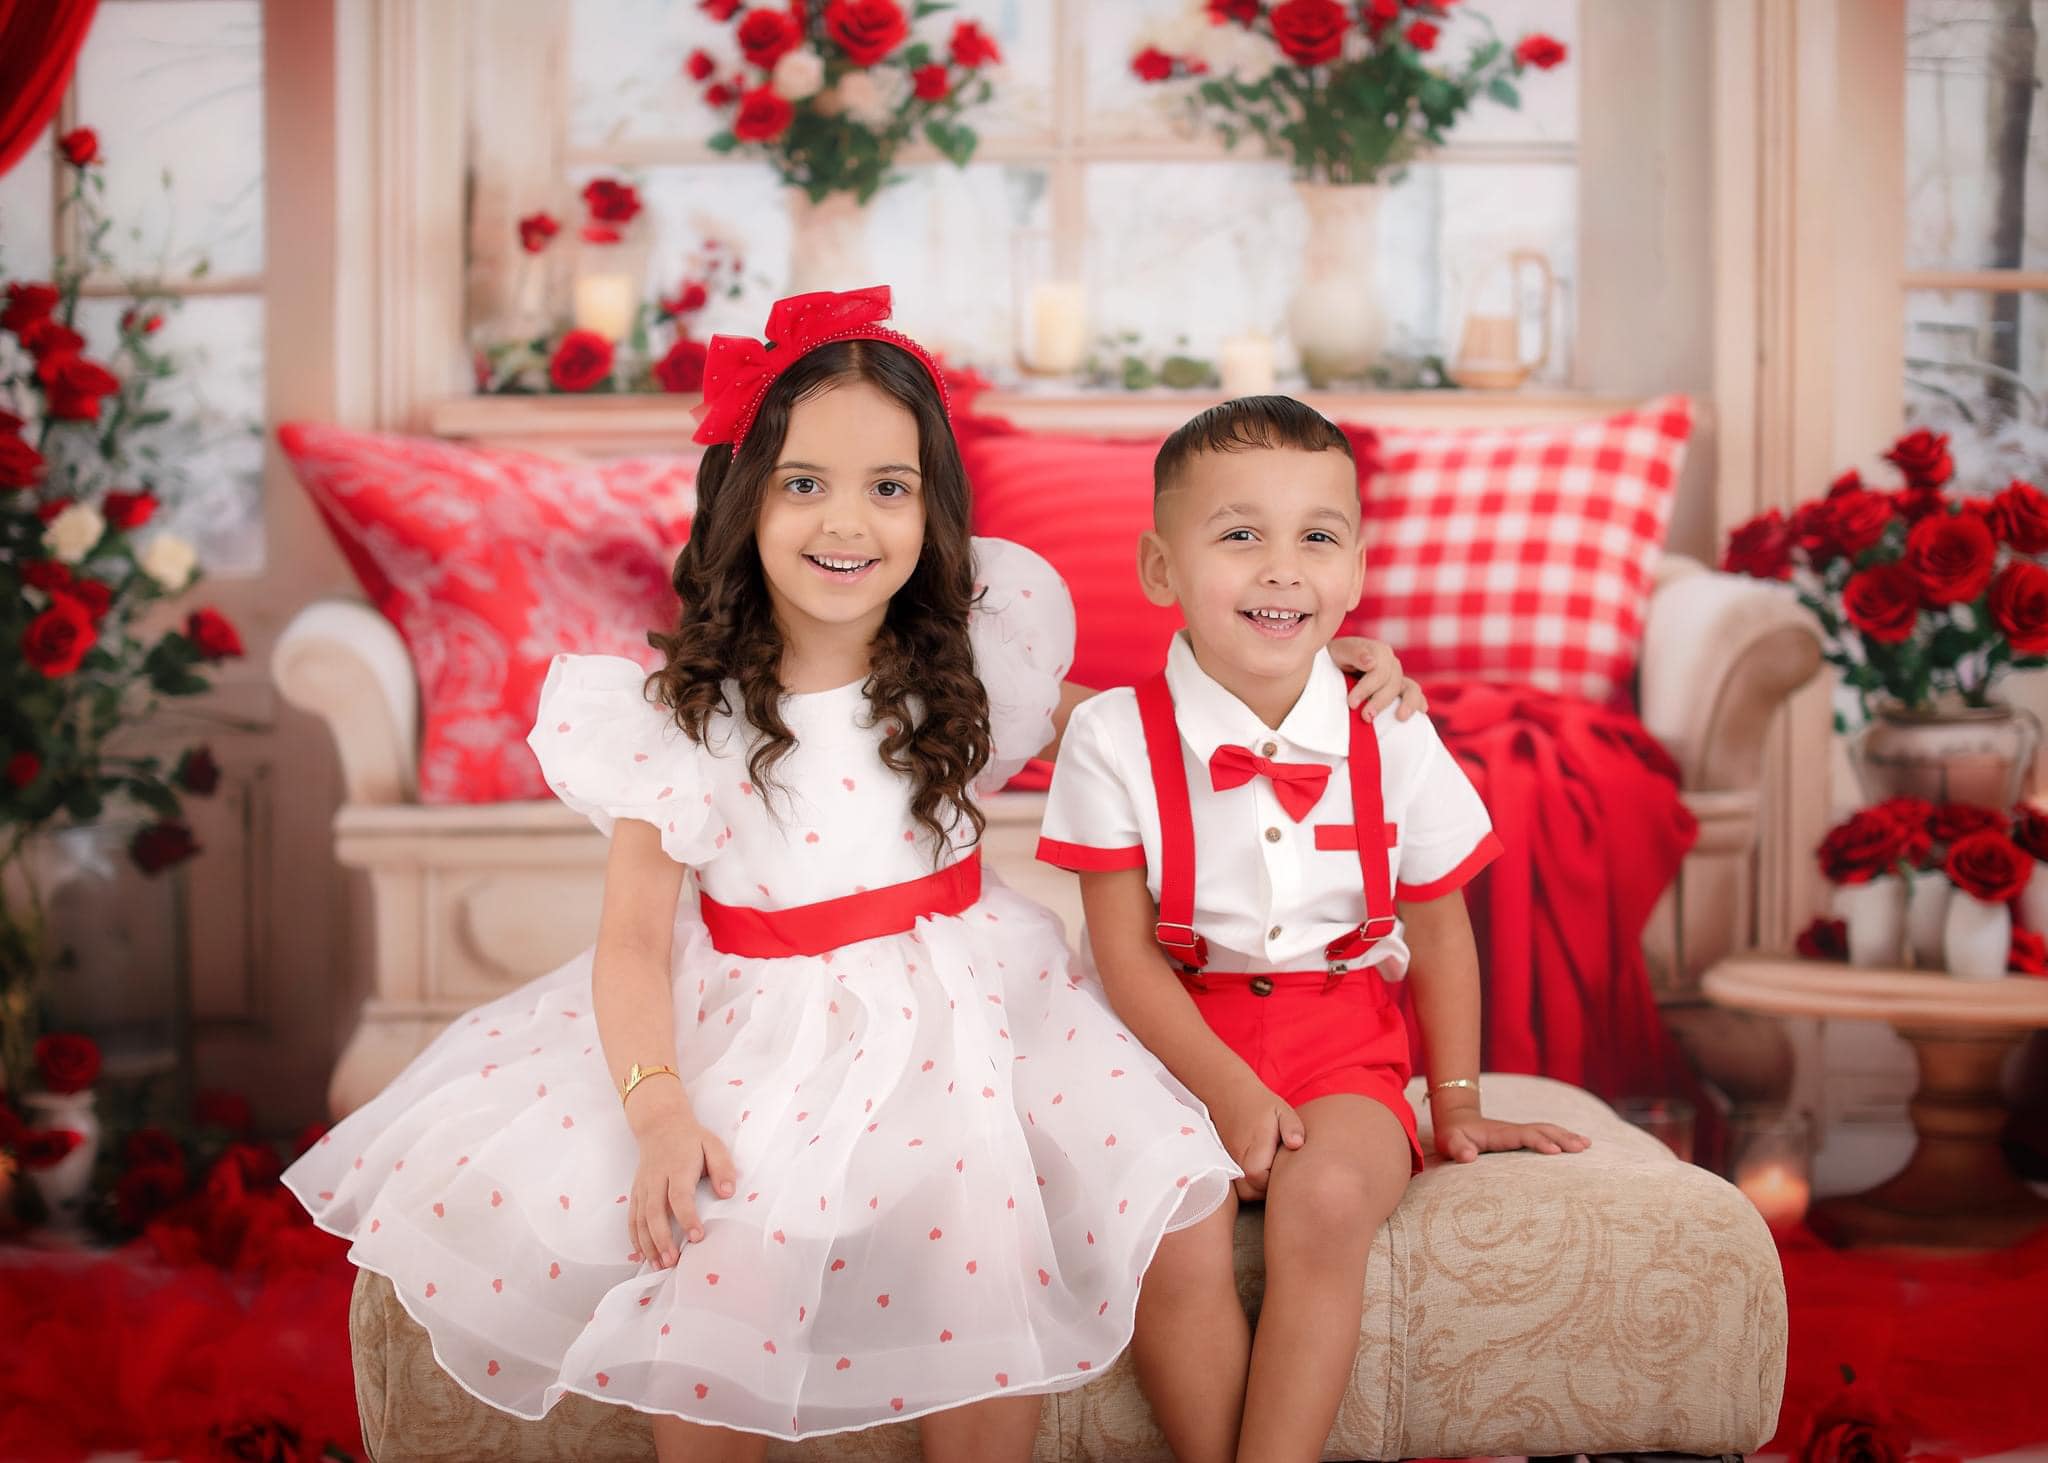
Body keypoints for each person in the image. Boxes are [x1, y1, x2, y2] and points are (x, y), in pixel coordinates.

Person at [283, 292, 1422, 1463]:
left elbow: (1146, 732)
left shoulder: (967, 656)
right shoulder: (682, 714)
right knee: (721, 1266)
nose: (850, 520)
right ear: (743, 499)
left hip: (980, 997)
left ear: (932, 508)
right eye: (803, 482)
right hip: (769, 1017)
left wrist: (1300, 679)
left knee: (1146, 1209)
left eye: (889, 485)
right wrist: (658, 1103)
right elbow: (630, 941)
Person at [1037, 394, 1591, 1463]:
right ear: (1160, 570)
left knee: (1326, 1199)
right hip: (1161, 1046)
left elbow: (1437, 927)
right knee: (1173, 1227)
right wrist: (1224, 1088)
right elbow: (1121, 953)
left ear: (1355, 567)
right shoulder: (1111, 737)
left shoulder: (1391, 728)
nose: (1281, 568)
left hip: (1342, 1039)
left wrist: (1458, 1099)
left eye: (1316, 537)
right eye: (1239, 534)